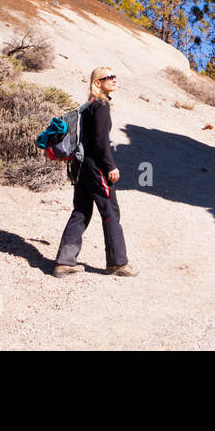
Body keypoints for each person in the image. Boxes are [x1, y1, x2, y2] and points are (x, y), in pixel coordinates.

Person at [53, 67, 136, 277]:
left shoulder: (89, 105)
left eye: (114, 76)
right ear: (97, 83)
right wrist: (110, 166)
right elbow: (100, 142)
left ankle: (65, 261)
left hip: (81, 165)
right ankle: (118, 263)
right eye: (108, 77)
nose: (113, 79)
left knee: (81, 210)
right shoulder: (100, 104)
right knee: (110, 211)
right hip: (95, 166)